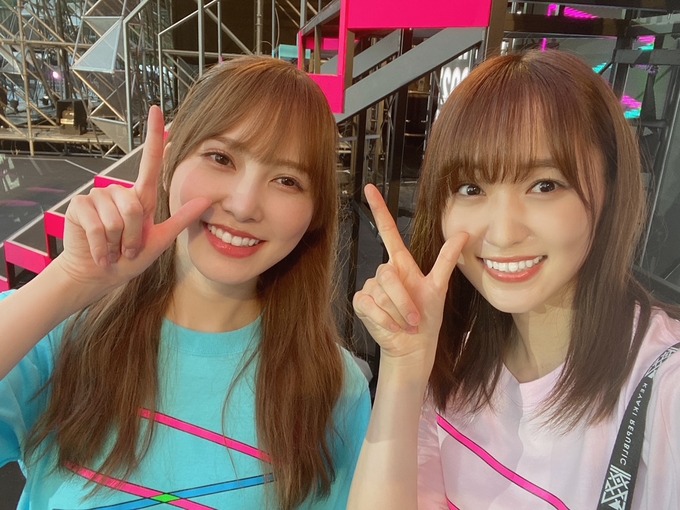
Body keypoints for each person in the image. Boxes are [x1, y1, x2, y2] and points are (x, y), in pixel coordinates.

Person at [0, 55, 370, 509]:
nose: (243, 205)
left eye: (287, 181)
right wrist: (68, 283)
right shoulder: (57, 331)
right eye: (221, 158)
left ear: (315, 214)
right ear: (170, 159)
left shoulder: (333, 388)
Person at [348, 49, 680, 509]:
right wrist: (403, 368)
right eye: (471, 188)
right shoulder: (458, 353)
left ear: (611, 188)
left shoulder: (665, 392)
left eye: (544, 185)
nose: (502, 234)